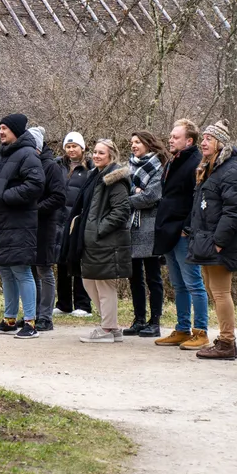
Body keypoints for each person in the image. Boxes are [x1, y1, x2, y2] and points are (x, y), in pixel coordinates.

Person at [0, 113, 44, 339]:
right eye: (0, 128)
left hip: (18, 223)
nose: (0, 132)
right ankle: (9, 320)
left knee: (21, 271)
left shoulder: (28, 154)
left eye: (5, 128)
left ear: (15, 130)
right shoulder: (1, 155)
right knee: (5, 270)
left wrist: (5, 197)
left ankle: (31, 322)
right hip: (0, 222)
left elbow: (35, 185)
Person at [188, 120, 237, 361]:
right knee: (215, 292)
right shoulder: (211, 168)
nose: (203, 142)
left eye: (209, 139)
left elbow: (235, 210)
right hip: (206, 241)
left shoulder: (231, 170)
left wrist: (219, 242)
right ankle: (224, 340)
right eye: (203, 138)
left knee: (221, 293)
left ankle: (227, 343)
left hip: (219, 243)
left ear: (220, 143)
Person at [153, 119, 211, 349]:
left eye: (175, 137)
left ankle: (201, 332)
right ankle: (182, 329)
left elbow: (198, 199)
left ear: (189, 141)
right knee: (179, 285)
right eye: (170, 136)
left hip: (183, 232)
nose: (170, 140)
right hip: (168, 231)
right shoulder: (174, 161)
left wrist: (187, 228)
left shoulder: (196, 162)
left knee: (194, 283)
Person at [77, 139, 132, 342]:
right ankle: (112, 326)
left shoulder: (115, 178)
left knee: (104, 284)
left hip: (108, 241)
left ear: (111, 155)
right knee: (89, 280)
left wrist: (99, 230)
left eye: (101, 153)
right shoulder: (96, 176)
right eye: (95, 152)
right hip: (94, 241)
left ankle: (107, 329)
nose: (96, 155)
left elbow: (121, 211)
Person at [123, 131, 167, 337]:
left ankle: (155, 321)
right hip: (131, 227)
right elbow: (124, 192)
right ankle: (139, 319)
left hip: (150, 228)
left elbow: (150, 196)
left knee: (153, 276)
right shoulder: (128, 166)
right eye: (132, 142)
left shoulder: (159, 166)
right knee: (134, 277)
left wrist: (128, 199)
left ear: (149, 144)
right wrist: (135, 194)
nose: (133, 145)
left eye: (138, 142)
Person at [29, 126, 67, 332]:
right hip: (28, 225)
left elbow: (58, 196)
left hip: (46, 224)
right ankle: (32, 314)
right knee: (31, 270)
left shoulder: (51, 166)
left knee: (44, 269)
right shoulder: (28, 163)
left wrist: (36, 209)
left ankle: (45, 316)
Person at [55, 132, 93, 317]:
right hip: (59, 219)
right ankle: (63, 304)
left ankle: (83, 304)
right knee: (61, 260)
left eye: (74, 146)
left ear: (82, 148)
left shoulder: (89, 168)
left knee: (78, 261)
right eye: (68, 147)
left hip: (78, 220)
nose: (71, 150)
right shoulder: (58, 166)